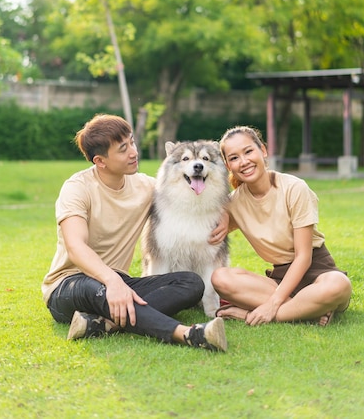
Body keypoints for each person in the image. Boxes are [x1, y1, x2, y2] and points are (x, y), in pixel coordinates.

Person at [41, 113, 228, 351]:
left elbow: (193, 195)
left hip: (120, 282)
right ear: (100, 161)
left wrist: (226, 214)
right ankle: (190, 334)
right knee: (95, 288)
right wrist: (111, 281)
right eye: (122, 149)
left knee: (190, 283)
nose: (133, 152)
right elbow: (76, 248)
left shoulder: (146, 186)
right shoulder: (77, 188)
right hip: (70, 285)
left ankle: (103, 324)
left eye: (132, 142)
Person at [212, 125, 352, 326]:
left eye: (248, 151)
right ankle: (309, 311)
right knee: (221, 277)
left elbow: (303, 257)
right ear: (228, 166)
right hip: (279, 279)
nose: (243, 162)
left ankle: (256, 314)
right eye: (234, 158)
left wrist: (273, 304)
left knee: (338, 285)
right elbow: (207, 223)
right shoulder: (233, 202)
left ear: (263, 150)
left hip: (317, 272)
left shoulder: (294, 188)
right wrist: (223, 210)